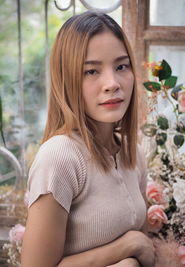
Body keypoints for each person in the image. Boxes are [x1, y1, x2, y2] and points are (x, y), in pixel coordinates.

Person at [21, 11, 155, 267]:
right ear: (67, 80)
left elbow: (147, 249)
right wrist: (128, 246)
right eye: (91, 71)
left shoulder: (133, 154)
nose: (112, 83)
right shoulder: (60, 156)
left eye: (121, 66)